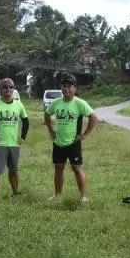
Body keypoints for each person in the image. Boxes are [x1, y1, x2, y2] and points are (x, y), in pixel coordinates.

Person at [44, 73, 97, 203]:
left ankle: (83, 196)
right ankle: (57, 195)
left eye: (69, 87)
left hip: (73, 142)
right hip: (58, 143)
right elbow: (47, 114)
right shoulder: (56, 103)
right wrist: (51, 130)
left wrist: (86, 134)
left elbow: (93, 117)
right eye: (64, 87)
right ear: (61, 88)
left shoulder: (79, 103)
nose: (66, 89)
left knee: (76, 168)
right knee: (58, 168)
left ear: (75, 89)